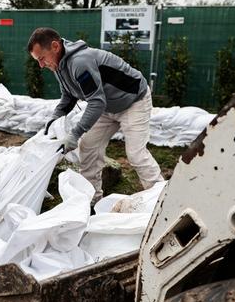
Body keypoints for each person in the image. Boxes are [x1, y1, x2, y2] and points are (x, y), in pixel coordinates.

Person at [28, 27, 163, 204]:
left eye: (41, 58)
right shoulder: (59, 66)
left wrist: (75, 133)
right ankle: (92, 201)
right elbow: (68, 97)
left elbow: (96, 102)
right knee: (88, 148)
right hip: (107, 106)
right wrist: (53, 121)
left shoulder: (80, 62)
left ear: (55, 46)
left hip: (133, 101)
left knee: (136, 154)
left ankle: (162, 199)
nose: (41, 65)